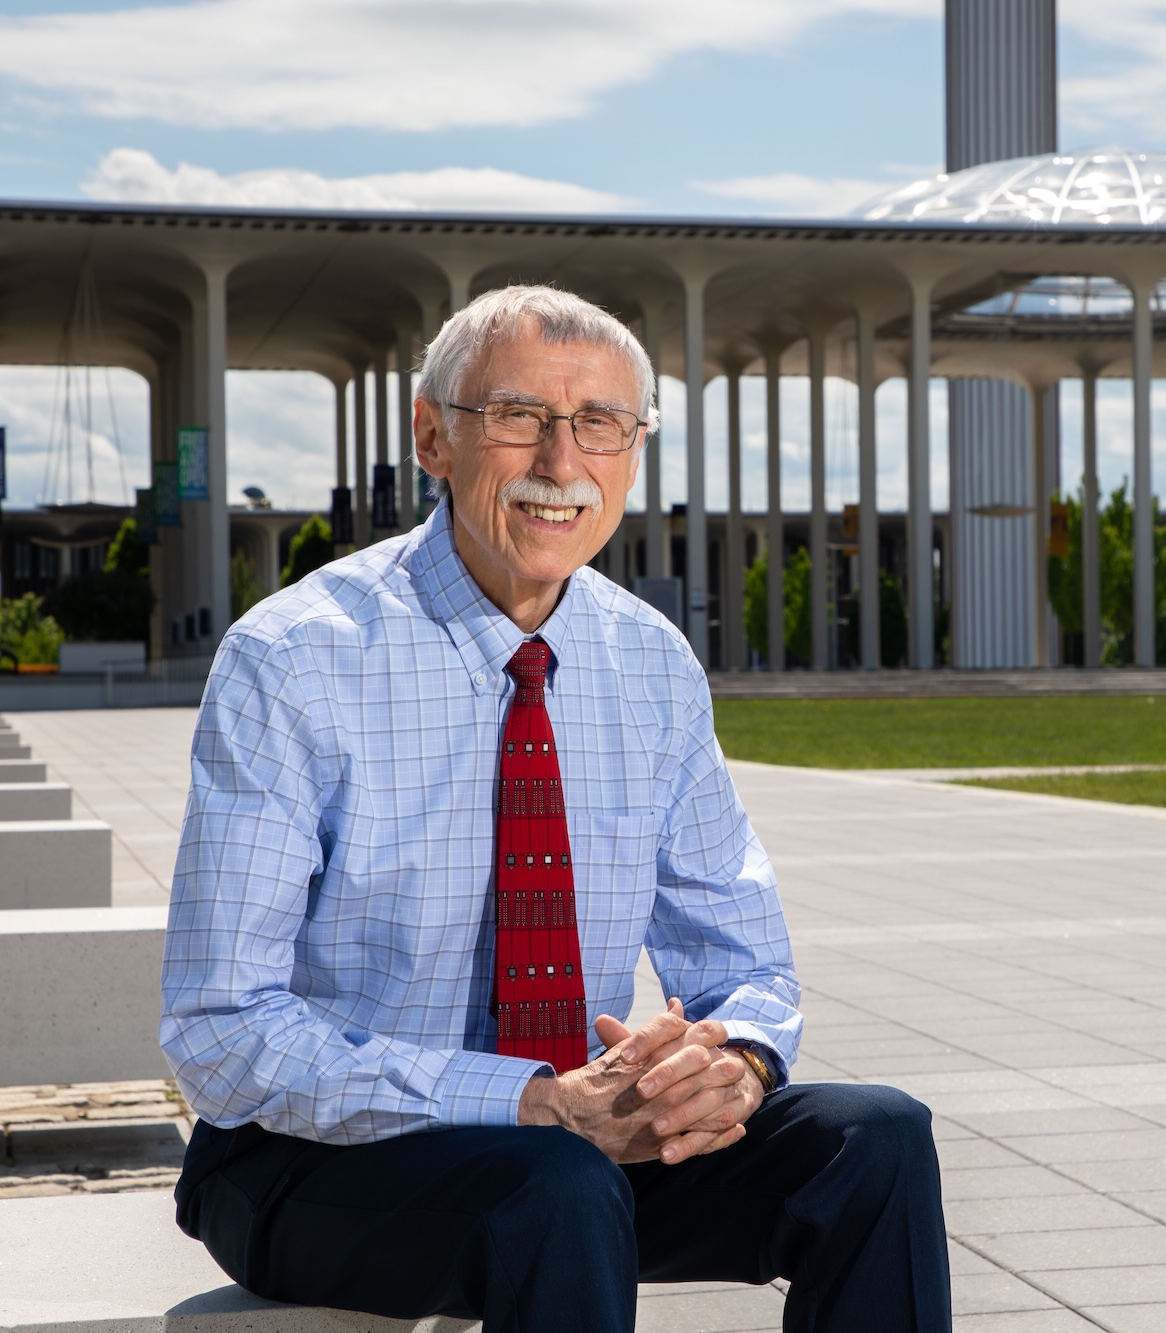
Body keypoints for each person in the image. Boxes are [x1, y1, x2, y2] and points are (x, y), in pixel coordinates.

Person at [160, 284, 950, 1332]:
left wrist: (730, 1065)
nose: (561, 462)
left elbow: (744, 963)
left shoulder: (649, 663)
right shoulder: (293, 659)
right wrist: (529, 1099)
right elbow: (220, 1031)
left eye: (601, 425)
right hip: (309, 1161)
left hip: (576, 1140)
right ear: (433, 435)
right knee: (555, 1185)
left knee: (875, 1141)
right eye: (519, 416)